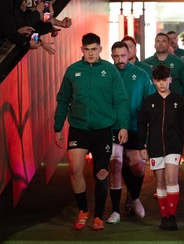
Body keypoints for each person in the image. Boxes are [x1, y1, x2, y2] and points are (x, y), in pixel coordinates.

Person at [54, 33, 130, 231]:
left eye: (94, 49)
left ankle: (98, 216)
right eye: (87, 49)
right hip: (78, 128)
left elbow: (121, 100)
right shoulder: (72, 71)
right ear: (82, 50)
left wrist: (123, 126)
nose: (90, 53)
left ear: (100, 49)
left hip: (103, 129)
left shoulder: (110, 71)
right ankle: (83, 211)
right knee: (75, 169)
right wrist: (57, 127)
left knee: (102, 173)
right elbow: (63, 100)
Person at [107, 41, 156, 224]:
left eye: (123, 55)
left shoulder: (141, 74)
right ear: (112, 56)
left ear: (129, 55)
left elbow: (150, 100)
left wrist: (149, 123)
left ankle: (134, 198)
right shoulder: (107, 73)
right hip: (113, 127)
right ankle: (115, 210)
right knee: (116, 163)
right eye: (116, 56)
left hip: (135, 127)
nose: (120, 60)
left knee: (137, 167)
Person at [138, 64, 184, 231]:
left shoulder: (178, 100)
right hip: (155, 146)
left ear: (170, 80)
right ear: (154, 81)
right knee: (160, 182)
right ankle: (164, 216)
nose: (162, 83)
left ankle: (172, 216)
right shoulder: (149, 101)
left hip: (174, 146)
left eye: (164, 80)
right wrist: (142, 146)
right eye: (158, 80)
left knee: (171, 179)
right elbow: (141, 124)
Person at [143, 32, 184, 97]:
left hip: (175, 103)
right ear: (154, 45)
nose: (160, 43)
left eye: (163, 41)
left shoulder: (179, 63)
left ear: (168, 44)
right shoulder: (146, 63)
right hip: (152, 103)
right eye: (158, 41)